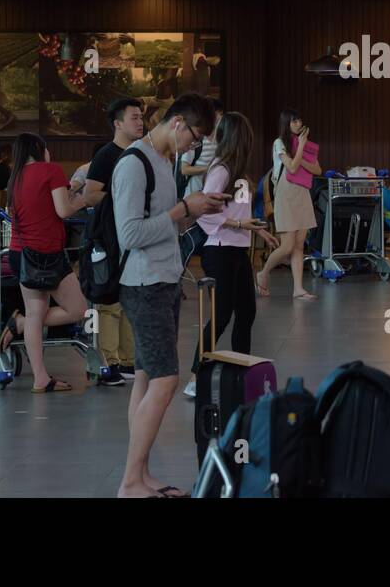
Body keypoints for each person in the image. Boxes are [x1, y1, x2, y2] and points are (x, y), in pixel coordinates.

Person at [114, 93, 225, 498]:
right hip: (143, 284)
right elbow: (130, 234)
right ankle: (129, 482)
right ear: (178, 123)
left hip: (163, 278)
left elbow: (165, 223)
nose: (194, 147)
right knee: (166, 380)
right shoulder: (133, 164)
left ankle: (140, 474)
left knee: (146, 377)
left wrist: (197, 210)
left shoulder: (164, 162)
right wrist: (182, 209)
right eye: (195, 138)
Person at [182, 111, 278, 399]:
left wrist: (257, 230)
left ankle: (241, 374)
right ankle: (195, 377)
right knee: (222, 315)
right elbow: (203, 211)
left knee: (246, 312)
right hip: (219, 250)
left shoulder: (237, 171)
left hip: (237, 249)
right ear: (240, 138)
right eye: (247, 135)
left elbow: (237, 212)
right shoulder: (221, 170)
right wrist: (239, 225)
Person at [0, 133, 90, 392]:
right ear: (39, 149)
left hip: (20, 253)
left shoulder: (14, 178)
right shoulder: (51, 170)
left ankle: (40, 376)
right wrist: (84, 199)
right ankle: (21, 323)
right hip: (47, 253)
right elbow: (63, 211)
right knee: (79, 309)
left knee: (36, 313)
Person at [82, 99, 147, 387]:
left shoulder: (141, 153)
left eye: (141, 117)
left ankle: (128, 358)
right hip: (108, 237)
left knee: (128, 298)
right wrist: (122, 197)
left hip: (133, 237)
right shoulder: (107, 155)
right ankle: (107, 361)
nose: (140, 122)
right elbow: (90, 194)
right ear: (118, 123)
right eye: (134, 117)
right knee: (108, 301)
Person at [255, 109, 321, 301]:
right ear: (286, 123)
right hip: (285, 193)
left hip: (302, 193)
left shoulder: (304, 144)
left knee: (299, 245)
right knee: (287, 245)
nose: (298, 123)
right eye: (294, 121)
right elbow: (291, 167)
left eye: (300, 120)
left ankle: (298, 289)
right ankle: (263, 273)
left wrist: (301, 151)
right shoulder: (279, 143)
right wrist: (301, 147)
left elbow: (317, 169)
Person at [179, 98, 223, 198]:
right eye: (218, 114)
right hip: (193, 193)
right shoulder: (196, 138)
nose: (220, 117)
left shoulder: (222, 137)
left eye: (221, 114)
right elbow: (184, 169)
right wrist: (210, 169)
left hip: (213, 191)